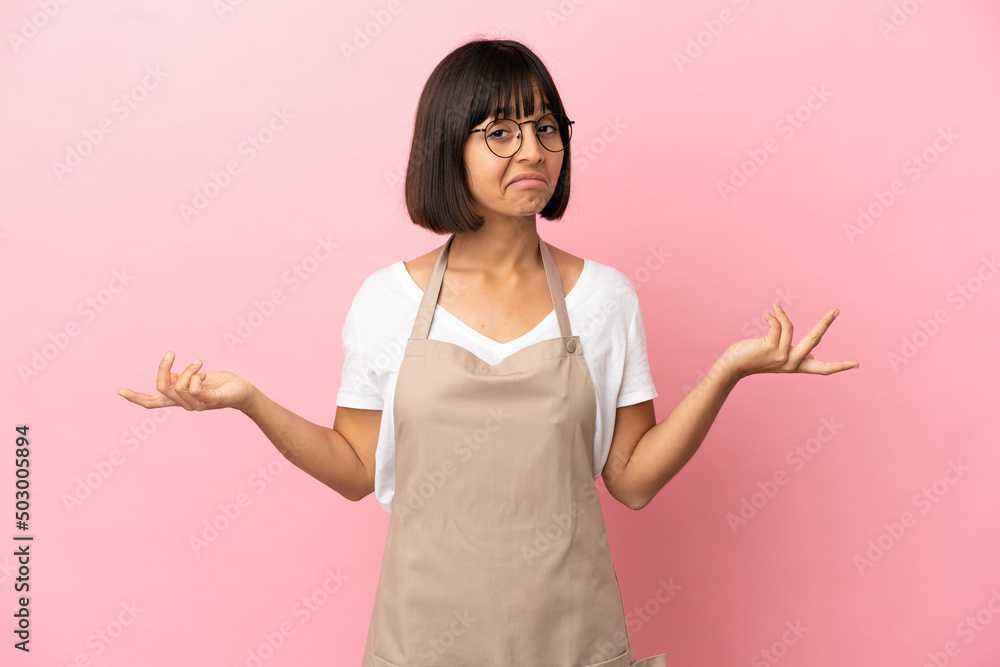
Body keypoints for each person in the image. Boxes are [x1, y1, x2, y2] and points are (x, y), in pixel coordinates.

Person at [117, 38, 859, 666]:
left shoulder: (604, 298)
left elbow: (632, 481)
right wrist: (248, 400)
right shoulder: (386, 300)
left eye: (546, 127)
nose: (532, 150)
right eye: (501, 131)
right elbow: (354, 469)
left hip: (570, 640)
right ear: (449, 146)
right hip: (422, 644)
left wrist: (728, 372)